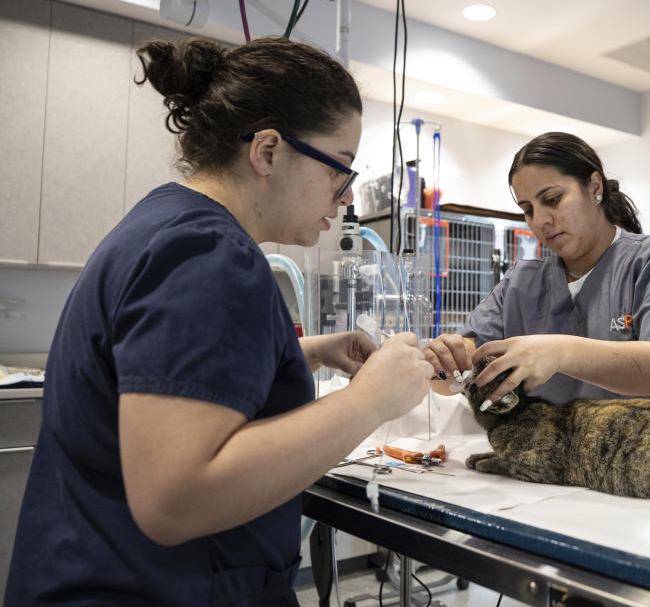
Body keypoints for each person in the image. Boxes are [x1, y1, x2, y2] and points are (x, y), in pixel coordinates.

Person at [4, 37, 433, 606]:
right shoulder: (208, 256)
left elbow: (152, 373)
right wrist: (370, 402)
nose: (346, 197)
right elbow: (176, 498)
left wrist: (301, 353)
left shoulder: (167, 223)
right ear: (268, 151)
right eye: (340, 169)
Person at [424, 132, 650, 407]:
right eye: (528, 210)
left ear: (595, 187)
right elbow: (453, 377)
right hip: (547, 465)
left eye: (553, 200)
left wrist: (558, 352)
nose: (540, 221)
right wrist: (445, 358)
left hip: (648, 462)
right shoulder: (521, 284)